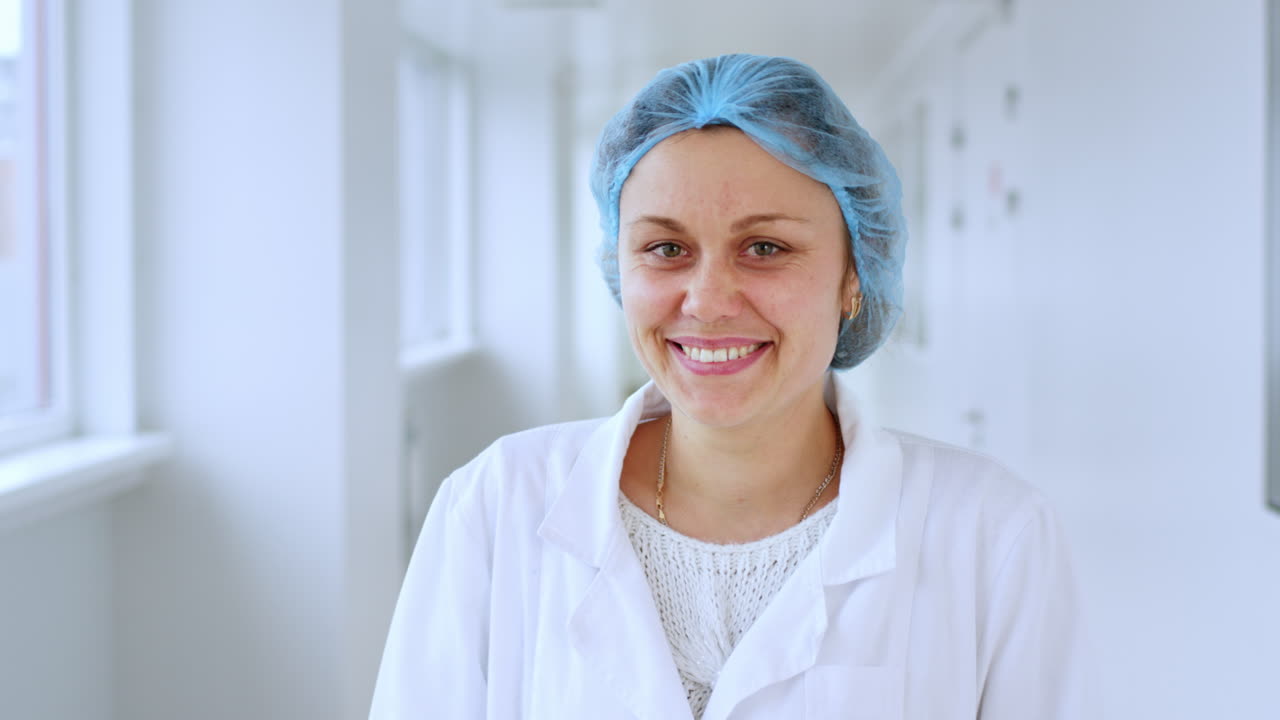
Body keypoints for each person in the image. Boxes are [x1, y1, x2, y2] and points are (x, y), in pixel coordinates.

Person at [370, 53, 1096, 719]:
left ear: (853, 275)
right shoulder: (495, 507)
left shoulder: (992, 535)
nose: (708, 300)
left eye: (765, 247)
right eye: (665, 248)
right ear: (619, 266)